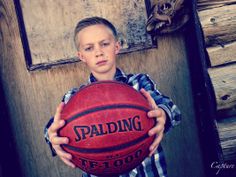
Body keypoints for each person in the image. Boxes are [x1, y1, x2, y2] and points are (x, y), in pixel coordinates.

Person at [44, 16, 181, 177]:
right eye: (89, 48)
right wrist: (53, 137)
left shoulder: (139, 84)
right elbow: (51, 128)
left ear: (116, 47)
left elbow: (172, 109)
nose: (98, 52)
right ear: (81, 56)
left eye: (104, 44)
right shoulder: (73, 98)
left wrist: (163, 114)